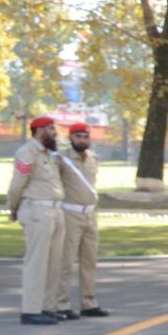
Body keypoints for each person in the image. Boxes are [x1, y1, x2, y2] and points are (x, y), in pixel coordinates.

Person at [9, 115, 68, 326]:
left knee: (53, 263)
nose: (54, 133)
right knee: (37, 262)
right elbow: (18, 183)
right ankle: (30, 309)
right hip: (37, 210)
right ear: (40, 130)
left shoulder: (50, 155)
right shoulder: (28, 152)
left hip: (55, 210)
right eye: (51, 129)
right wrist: (13, 207)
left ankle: (46, 306)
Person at [56, 122, 106, 317]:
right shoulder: (62, 159)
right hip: (70, 213)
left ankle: (89, 302)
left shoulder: (93, 158)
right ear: (70, 138)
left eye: (85, 136)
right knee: (66, 260)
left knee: (89, 260)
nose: (82, 140)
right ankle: (62, 303)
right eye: (78, 136)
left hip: (90, 215)